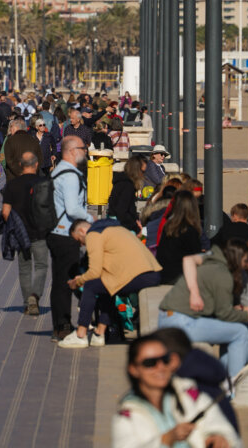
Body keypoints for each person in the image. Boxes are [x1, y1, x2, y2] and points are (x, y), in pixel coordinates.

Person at [158, 239, 248, 378]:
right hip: (181, 322)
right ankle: (234, 384)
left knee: (245, 329)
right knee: (241, 332)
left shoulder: (213, 259)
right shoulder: (223, 274)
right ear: (240, 257)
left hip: (171, 317)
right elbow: (225, 314)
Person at [111, 334, 241, 448]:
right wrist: (165, 439)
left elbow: (223, 428)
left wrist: (218, 437)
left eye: (165, 360)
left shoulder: (190, 394)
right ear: (133, 369)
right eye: (150, 363)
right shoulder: (127, 416)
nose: (160, 367)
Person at [59, 219, 162, 348]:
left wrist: (78, 281)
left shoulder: (93, 234)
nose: (81, 245)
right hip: (152, 273)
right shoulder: (116, 229)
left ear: (82, 231)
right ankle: (99, 334)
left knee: (90, 286)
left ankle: (81, 334)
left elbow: (94, 271)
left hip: (139, 276)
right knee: (105, 286)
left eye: (79, 241)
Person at [47, 136, 95, 340]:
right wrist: (91, 218)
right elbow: (73, 208)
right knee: (66, 280)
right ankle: (64, 325)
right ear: (73, 151)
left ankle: (59, 325)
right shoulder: (71, 176)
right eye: (83, 149)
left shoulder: (58, 171)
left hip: (56, 232)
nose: (86, 152)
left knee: (59, 280)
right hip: (67, 233)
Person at [1, 151, 50, 316]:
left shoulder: (12, 185)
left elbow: (5, 211)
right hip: (41, 232)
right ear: (36, 165)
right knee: (42, 265)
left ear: (21, 165)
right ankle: (35, 296)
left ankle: (27, 302)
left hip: (21, 234)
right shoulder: (44, 182)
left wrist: (15, 226)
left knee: (24, 268)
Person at [157, 190, 204, 284]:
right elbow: (196, 256)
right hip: (180, 276)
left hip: (165, 275)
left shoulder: (169, 226)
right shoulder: (189, 230)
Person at [108, 156, 144, 233]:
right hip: (121, 228)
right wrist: (136, 227)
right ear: (136, 171)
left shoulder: (122, 182)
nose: (144, 175)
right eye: (143, 171)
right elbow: (122, 211)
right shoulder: (127, 186)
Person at [0, 118, 43, 183]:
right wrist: (31, 171)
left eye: (11, 127)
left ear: (15, 128)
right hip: (31, 178)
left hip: (13, 179)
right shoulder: (33, 140)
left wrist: (19, 172)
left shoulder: (10, 141)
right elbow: (40, 158)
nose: (10, 129)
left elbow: (7, 159)